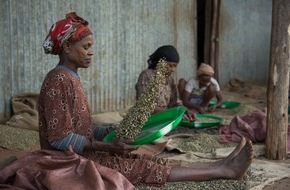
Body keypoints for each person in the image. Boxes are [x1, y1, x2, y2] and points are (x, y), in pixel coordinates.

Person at [0, 12, 253, 189]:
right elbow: (57, 138)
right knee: (143, 168)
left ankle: (221, 164)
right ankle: (224, 170)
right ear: (66, 48)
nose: (91, 52)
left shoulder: (72, 78)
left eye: (91, 46)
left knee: (145, 160)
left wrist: (109, 131)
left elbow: (82, 125)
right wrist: (104, 146)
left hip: (84, 151)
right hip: (64, 160)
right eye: (86, 46)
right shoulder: (57, 80)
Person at [135, 45, 195, 120]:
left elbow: (175, 102)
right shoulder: (147, 75)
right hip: (148, 119)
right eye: (170, 65)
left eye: (175, 66)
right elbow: (144, 105)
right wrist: (170, 113)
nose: (173, 69)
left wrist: (184, 110)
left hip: (165, 117)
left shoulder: (170, 79)